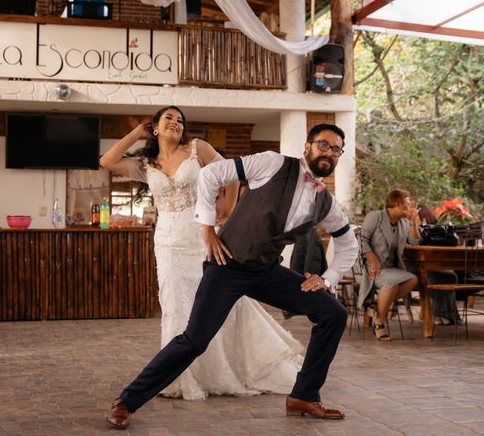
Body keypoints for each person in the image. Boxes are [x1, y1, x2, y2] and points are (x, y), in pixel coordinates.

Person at [106, 123, 359, 428]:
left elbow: (348, 244)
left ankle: (304, 396)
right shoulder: (272, 162)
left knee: (332, 313)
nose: (328, 152)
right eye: (323, 144)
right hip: (227, 266)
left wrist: (328, 278)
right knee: (194, 341)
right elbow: (214, 174)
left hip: (266, 271)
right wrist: (208, 227)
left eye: (335, 149)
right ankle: (127, 401)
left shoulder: (327, 203)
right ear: (307, 146)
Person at [100, 106, 304, 402]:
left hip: (202, 239)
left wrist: (229, 213)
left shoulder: (198, 149)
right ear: (155, 127)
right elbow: (107, 160)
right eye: (168, 118)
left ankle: (226, 368)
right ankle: (178, 376)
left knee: (216, 304)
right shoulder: (146, 164)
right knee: (175, 307)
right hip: (168, 243)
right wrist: (136, 132)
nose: (176, 123)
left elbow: (234, 177)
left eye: (180, 120)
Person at [358, 189, 420, 341]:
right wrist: (372, 259)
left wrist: (413, 222)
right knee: (392, 283)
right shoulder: (376, 217)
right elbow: (361, 238)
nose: (411, 205)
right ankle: (379, 322)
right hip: (370, 267)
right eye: (408, 202)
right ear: (398, 204)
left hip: (391, 268)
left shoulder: (404, 223)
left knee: (412, 279)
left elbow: (414, 242)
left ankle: (375, 308)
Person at [417, 204, 461, 325]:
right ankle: (439, 314)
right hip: (416, 267)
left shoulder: (437, 232)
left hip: (435, 266)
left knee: (451, 275)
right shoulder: (412, 230)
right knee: (437, 276)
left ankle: (445, 314)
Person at [284, 226, 328, 319]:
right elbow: (313, 259)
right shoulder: (313, 234)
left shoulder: (304, 231)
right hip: (308, 283)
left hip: (300, 279)